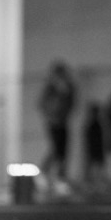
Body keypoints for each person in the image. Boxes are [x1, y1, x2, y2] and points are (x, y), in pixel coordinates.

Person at [38, 60, 76, 193]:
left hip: (63, 122)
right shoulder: (50, 88)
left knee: (62, 152)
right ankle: (45, 174)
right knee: (55, 150)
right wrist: (51, 116)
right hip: (53, 123)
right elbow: (43, 104)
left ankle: (60, 178)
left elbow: (71, 103)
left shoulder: (67, 87)